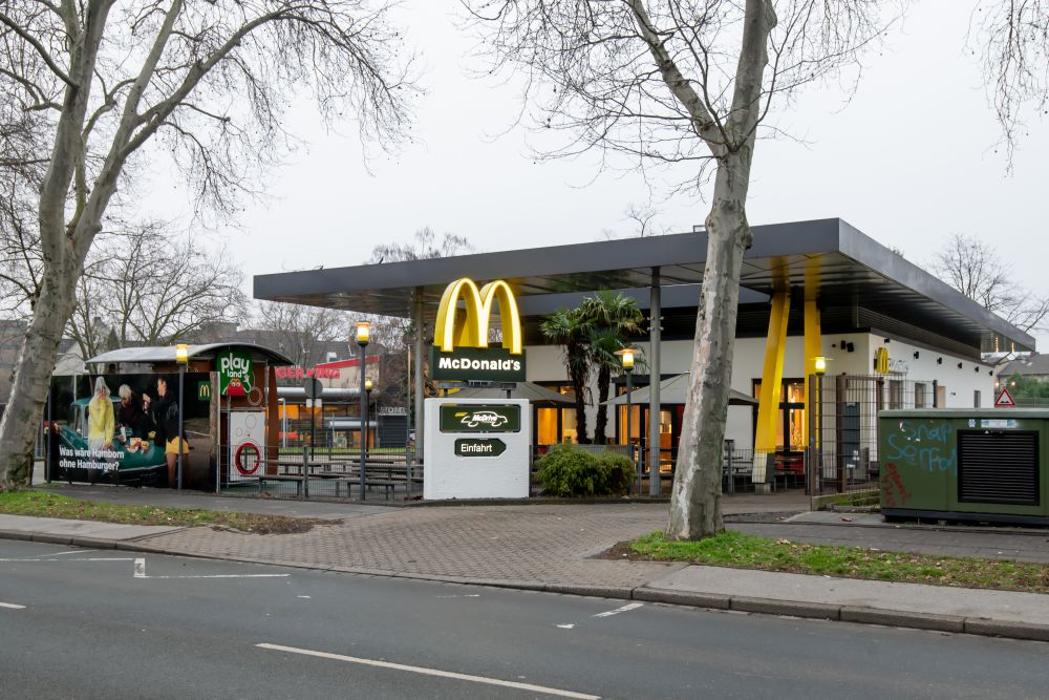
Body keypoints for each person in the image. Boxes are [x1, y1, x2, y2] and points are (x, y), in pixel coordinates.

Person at [149, 376, 188, 488]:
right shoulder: (161, 401)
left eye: (158, 385)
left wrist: (150, 401)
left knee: (185, 470)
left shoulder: (170, 396)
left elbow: (158, 405)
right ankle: (171, 492)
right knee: (171, 469)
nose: (157, 388)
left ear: (164, 384)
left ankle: (189, 493)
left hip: (178, 437)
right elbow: (157, 414)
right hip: (170, 440)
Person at [86, 377, 114, 452]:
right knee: (94, 462)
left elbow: (110, 422)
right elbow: (100, 425)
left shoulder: (109, 402)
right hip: (95, 438)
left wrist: (108, 440)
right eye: (100, 391)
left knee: (113, 460)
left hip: (106, 438)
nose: (103, 393)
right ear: (97, 391)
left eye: (104, 390)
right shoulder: (92, 404)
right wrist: (102, 405)